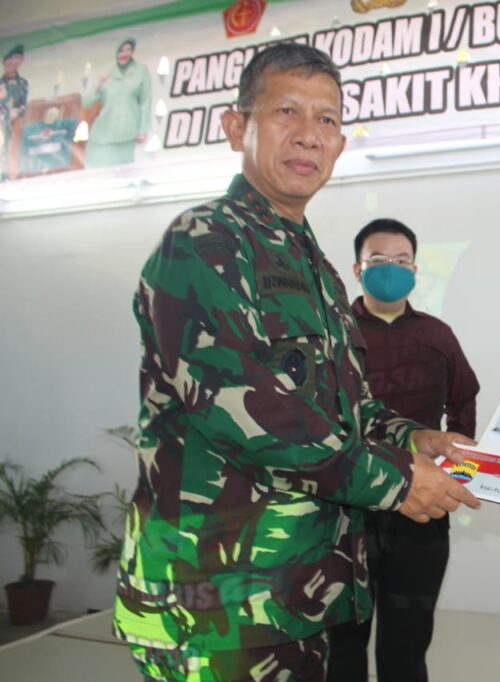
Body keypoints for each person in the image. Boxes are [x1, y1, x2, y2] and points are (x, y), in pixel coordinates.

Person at [112, 43, 479, 682]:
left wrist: (411, 436)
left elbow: (347, 405)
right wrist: (398, 480)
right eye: (287, 111)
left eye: (326, 119)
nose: (309, 134)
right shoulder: (204, 242)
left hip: (294, 592)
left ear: (340, 144)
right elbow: (246, 412)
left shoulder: (316, 268)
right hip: (215, 598)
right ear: (236, 127)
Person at [328, 218, 480, 682]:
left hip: (421, 506)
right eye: (378, 260)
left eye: (401, 260)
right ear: (357, 269)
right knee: (342, 644)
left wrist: (458, 477)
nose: (390, 268)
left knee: (408, 642)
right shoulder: (332, 333)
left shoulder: (438, 334)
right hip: (345, 507)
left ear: (415, 269)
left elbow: (463, 402)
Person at [83, 37, 152, 167]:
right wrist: (98, 83)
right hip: (102, 134)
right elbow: (86, 103)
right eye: (121, 50)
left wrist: (143, 130)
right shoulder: (104, 71)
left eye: (128, 50)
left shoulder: (141, 71)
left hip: (127, 133)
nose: (124, 54)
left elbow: (145, 101)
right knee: (97, 172)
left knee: (124, 173)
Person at [0, 43, 28, 180]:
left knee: (14, 149)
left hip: (15, 125)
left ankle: (11, 173)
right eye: (9, 59)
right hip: (1, 125)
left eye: (16, 58)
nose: (11, 63)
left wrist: (17, 112)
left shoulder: (22, 83)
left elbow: (23, 105)